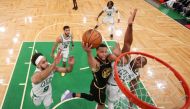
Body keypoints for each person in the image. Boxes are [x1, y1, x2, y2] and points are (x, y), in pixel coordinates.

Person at [106, 9, 147, 109]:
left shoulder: (136, 75)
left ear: (141, 66)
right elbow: (128, 42)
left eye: (140, 62)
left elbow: (133, 90)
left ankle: (119, 95)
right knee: (111, 102)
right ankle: (111, 102)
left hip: (119, 86)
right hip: (110, 83)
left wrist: (130, 105)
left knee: (121, 89)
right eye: (138, 58)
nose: (137, 61)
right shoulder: (127, 59)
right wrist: (130, 26)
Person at [61, 43, 120, 109]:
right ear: (97, 51)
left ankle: (71, 94)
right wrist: (89, 53)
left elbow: (118, 59)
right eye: (101, 52)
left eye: (105, 52)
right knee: (101, 105)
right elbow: (92, 65)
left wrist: (116, 49)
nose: (104, 54)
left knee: (91, 97)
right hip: (100, 89)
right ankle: (71, 94)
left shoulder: (108, 58)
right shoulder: (96, 62)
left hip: (94, 84)